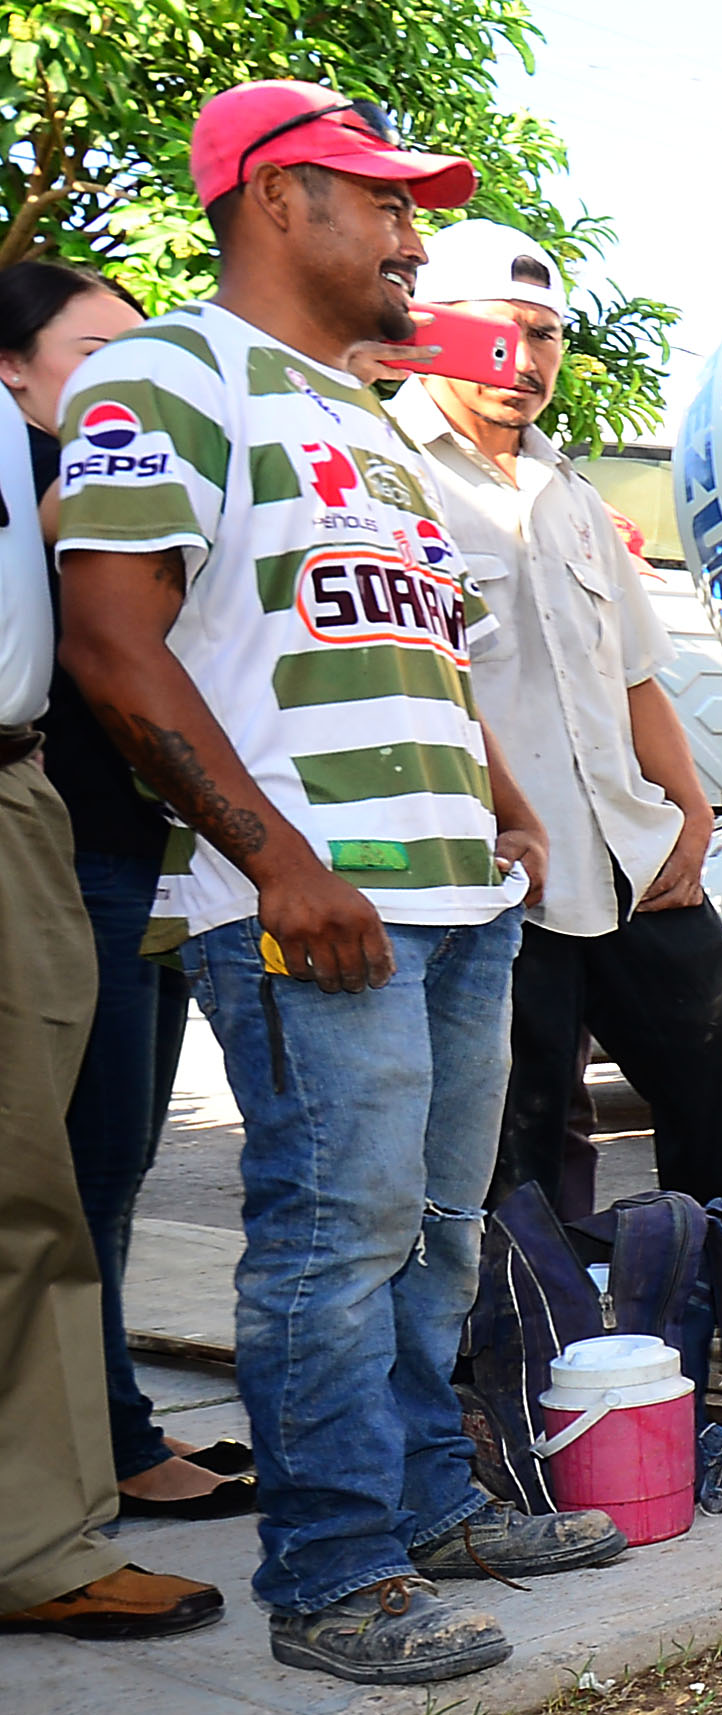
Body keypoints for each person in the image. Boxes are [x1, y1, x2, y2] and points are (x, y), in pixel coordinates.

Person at [57, 83, 620, 1685]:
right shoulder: (169, 373)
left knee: (438, 1232)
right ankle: (330, 1571)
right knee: (334, 1235)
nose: (410, 235)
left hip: (451, 903)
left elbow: (421, 644)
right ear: (275, 201)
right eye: (380, 202)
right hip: (312, 908)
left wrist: (504, 804)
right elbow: (112, 639)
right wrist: (282, 865)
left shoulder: (368, 419)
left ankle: (428, 1510)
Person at [387, 221, 722, 1339]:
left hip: (630, 849)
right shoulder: (394, 478)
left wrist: (691, 810)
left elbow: (639, 675)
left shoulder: (569, 490)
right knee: (520, 1113)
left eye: (549, 335)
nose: (533, 358)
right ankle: (522, 1321)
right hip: (500, 869)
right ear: (433, 331)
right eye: (508, 332)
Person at [9, 259, 259, 1528]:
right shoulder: (43, 488)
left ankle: (111, 1426)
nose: (126, 383)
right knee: (84, 1171)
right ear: (12, 368)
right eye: (94, 355)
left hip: (153, 862)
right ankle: (105, 1441)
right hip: (77, 861)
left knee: (120, 1164)